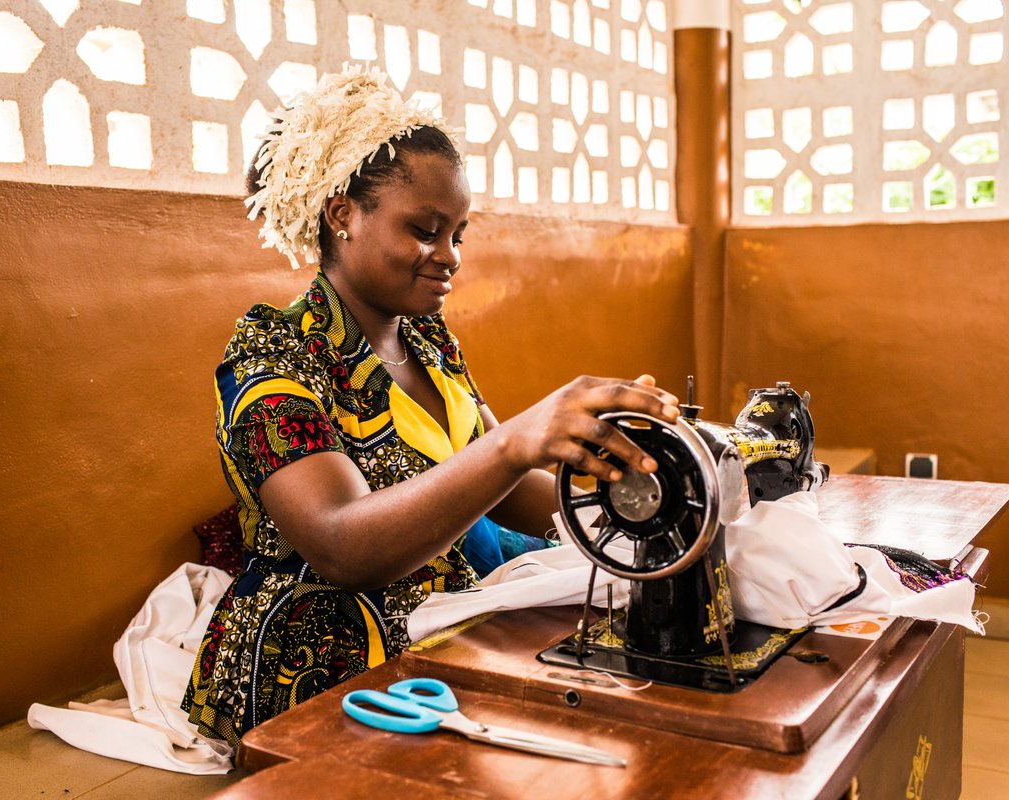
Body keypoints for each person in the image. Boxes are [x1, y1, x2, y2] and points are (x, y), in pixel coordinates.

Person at [182, 64, 681, 746]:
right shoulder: (273, 358)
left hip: (449, 631)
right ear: (342, 216)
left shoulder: (428, 340)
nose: (449, 256)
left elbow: (509, 488)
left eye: (458, 235)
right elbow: (343, 547)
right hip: (325, 672)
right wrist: (516, 441)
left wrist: (624, 491)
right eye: (424, 230)